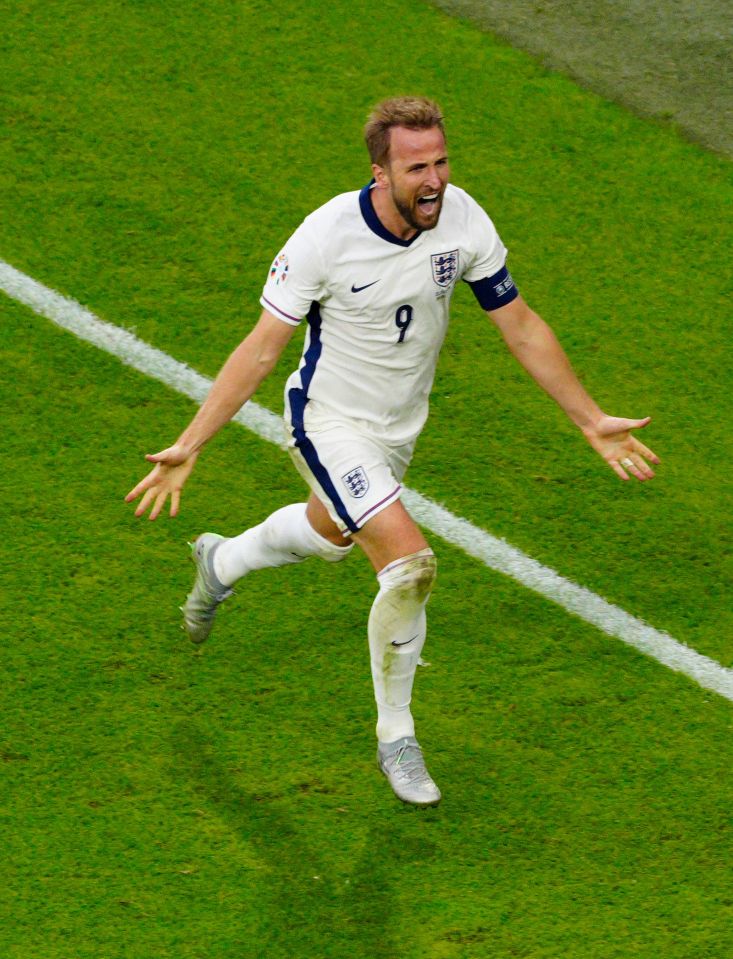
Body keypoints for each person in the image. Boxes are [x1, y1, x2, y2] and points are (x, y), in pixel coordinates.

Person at [126, 96, 659, 808]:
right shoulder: (326, 237)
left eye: (440, 161)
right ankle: (396, 735)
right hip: (327, 420)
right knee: (409, 565)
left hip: (399, 428)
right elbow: (261, 349)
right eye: (416, 167)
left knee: (332, 533)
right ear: (380, 170)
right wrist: (191, 444)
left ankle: (220, 560)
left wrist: (589, 418)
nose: (433, 179)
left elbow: (521, 325)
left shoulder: (462, 219)